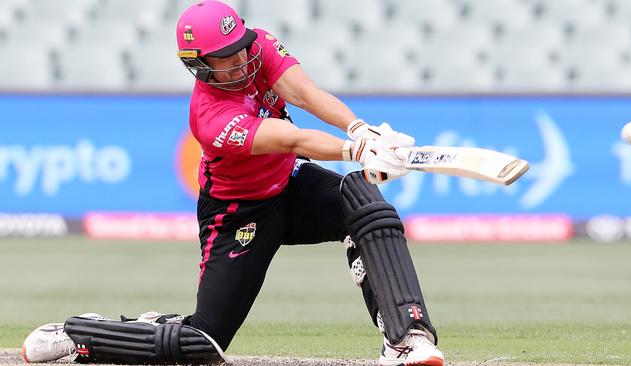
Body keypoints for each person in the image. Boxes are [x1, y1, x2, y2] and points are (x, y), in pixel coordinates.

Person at [22, 2, 444, 365]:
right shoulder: (210, 117)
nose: (241, 59)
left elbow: (305, 94)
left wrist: (362, 130)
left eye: (241, 47)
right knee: (201, 342)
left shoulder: (257, 45)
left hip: (290, 184)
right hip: (239, 213)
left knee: (362, 198)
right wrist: (355, 151)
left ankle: (407, 337)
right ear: (199, 66)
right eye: (226, 57)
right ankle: (82, 333)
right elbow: (292, 139)